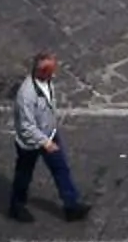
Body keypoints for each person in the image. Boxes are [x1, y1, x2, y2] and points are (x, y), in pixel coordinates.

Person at [8, 51, 90, 223]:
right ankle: (16, 206)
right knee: (24, 175)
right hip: (31, 143)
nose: (54, 74)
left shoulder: (46, 82)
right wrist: (45, 142)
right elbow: (26, 126)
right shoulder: (26, 95)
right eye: (51, 71)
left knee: (61, 169)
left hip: (49, 134)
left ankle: (71, 206)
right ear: (42, 72)